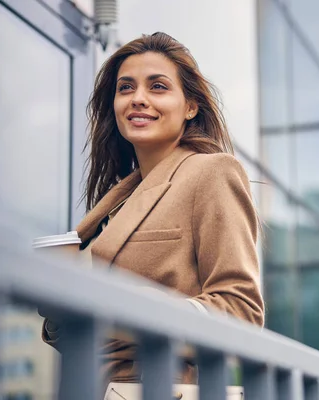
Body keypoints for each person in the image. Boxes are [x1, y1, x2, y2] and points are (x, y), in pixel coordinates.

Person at [41, 32, 264, 397]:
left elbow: (240, 311)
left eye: (157, 87)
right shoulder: (115, 199)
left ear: (190, 106)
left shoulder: (212, 173)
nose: (138, 99)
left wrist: (113, 308)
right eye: (125, 88)